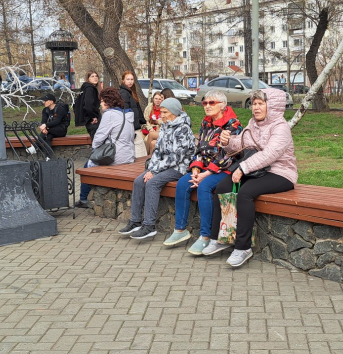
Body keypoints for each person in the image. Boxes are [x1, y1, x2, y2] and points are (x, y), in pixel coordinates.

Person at [204, 88, 298, 267]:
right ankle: (218, 238)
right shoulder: (253, 124)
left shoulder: (281, 127)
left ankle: (243, 247)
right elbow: (240, 144)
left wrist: (243, 168)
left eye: (261, 103)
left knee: (245, 193)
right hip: (256, 170)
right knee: (222, 187)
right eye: (254, 104)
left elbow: (270, 154)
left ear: (272, 106)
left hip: (280, 172)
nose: (256, 107)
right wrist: (227, 141)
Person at [162, 90, 242, 253]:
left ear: (222, 105)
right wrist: (196, 168)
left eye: (212, 103)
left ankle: (206, 236)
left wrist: (206, 174)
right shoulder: (206, 123)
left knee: (204, 187)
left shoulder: (233, 125)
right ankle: (180, 229)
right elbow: (199, 148)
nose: (207, 106)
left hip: (225, 169)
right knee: (183, 183)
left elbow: (229, 155)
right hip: (205, 167)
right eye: (205, 103)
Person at [119, 98, 196, 240]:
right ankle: (135, 221)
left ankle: (149, 226)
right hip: (165, 166)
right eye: (161, 112)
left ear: (174, 112)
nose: (162, 115)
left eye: (165, 112)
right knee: (139, 181)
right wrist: (151, 169)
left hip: (180, 168)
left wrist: (154, 172)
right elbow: (157, 152)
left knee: (152, 183)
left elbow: (176, 158)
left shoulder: (183, 129)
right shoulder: (165, 126)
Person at [76, 87, 136, 208]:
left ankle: (83, 199)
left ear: (109, 102)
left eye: (102, 101)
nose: (100, 103)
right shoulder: (128, 114)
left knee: (88, 165)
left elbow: (99, 137)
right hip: (129, 155)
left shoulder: (109, 115)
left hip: (115, 156)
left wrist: (94, 151)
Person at [27, 92, 70, 156]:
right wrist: (43, 127)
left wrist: (45, 126)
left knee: (47, 132)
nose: (44, 102)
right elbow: (43, 121)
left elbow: (56, 121)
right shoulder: (45, 110)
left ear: (51, 102)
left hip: (61, 130)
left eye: (45, 101)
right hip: (51, 130)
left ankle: (35, 147)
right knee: (48, 137)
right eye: (43, 101)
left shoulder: (60, 109)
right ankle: (49, 157)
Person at [119, 71, 147, 157]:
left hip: (135, 125)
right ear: (123, 80)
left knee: (138, 150)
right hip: (132, 126)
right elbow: (126, 111)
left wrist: (142, 121)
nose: (130, 81)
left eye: (132, 79)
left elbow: (136, 109)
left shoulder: (131, 92)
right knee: (140, 151)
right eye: (128, 79)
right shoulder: (124, 93)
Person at [74, 70, 101, 137]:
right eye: (92, 76)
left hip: (88, 118)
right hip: (91, 119)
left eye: (96, 76)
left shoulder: (86, 88)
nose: (95, 78)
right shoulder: (90, 89)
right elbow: (88, 104)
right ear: (88, 79)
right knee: (97, 138)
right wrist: (93, 116)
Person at [142, 91, 164, 155]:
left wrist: (158, 121)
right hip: (149, 127)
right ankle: (144, 155)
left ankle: (147, 155)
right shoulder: (149, 107)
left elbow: (165, 121)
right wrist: (150, 128)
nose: (157, 101)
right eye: (156, 99)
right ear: (153, 99)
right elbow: (145, 120)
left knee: (148, 140)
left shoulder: (163, 109)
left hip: (159, 128)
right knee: (141, 139)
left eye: (159, 99)